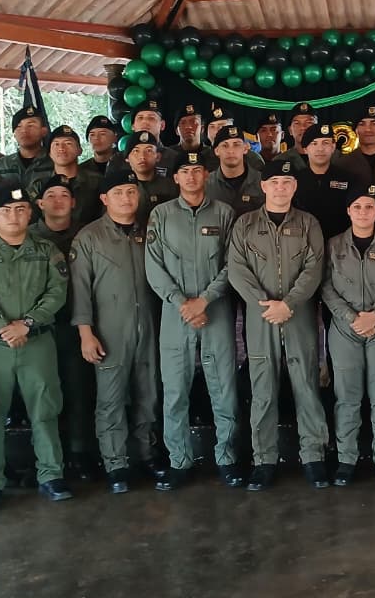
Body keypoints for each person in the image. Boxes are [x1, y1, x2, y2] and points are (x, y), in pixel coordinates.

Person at [0, 184, 73, 510]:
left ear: (30, 213)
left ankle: (51, 475)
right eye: (6, 210)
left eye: (20, 210)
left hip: (37, 341)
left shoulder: (47, 251)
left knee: (45, 409)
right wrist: (3, 327)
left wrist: (28, 323)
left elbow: (57, 292)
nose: (13, 216)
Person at [227, 158, 328, 491]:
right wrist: (265, 305)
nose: (281, 188)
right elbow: (237, 269)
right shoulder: (244, 225)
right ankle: (264, 460)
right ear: (263, 186)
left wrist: (289, 303)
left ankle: (313, 457)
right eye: (274, 183)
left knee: (307, 385)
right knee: (263, 389)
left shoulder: (309, 223)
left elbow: (314, 267)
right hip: (261, 317)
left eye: (287, 183)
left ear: (294, 187)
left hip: (298, 315)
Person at [146, 152, 244, 490]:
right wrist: (182, 302)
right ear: (175, 178)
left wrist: (205, 299)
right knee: (175, 390)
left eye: (197, 170)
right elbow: (153, 266)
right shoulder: (160, 215)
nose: (191, 176)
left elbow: (234, 263)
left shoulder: (224, 213)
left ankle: (227, 458)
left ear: (206, 175)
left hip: (215, 310)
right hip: (175, 315)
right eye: (184, 171)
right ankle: (179, 461)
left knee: (224, 388)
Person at [70, 169, 163, 494]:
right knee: (111, 398)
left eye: (131, 192)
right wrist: (85, 333)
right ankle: (116, 463)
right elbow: (80, 290)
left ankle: (147, 454)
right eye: (119, 193)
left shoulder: (150, 231)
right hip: (109, 330)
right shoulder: (89, 237)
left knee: (148, 393)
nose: (126, 198)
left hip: (149, 325)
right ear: (104, 198)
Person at [321, 184, 375, 486]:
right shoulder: (333, 245)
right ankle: (346, 459)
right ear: (348, 211)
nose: (363, 212)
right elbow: (326, 287)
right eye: (357, 207)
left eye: (369, 207)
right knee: (347, 396)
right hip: (345, 328)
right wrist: (352, 318)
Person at [29, 176, 98, 479]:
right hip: (38, 327)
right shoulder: (27, 236)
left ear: (73, 202)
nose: (58, 201)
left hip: (78, 324)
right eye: (51, 195)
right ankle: (46, 457)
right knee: (41, 393)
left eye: (64, 195)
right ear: (40, 203)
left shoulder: (87, 235)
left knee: (79, 390)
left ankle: (79, 453)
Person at [26, 125, 104, 224]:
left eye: (68, 143)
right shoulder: (40, 184)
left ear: (79, 150)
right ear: (49, 153)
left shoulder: (96, 181)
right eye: (56, 144)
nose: (61, 148)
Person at [294, 123, 357, 241]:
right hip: (303, 243)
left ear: (333, 147)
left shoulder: (348, 179)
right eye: (314, 143)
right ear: (305, 149)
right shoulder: (294, 180)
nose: (320, 148)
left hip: (340, 244)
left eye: (325, 143)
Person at [205, 125, 264, 214]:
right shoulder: (205, 184)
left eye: (236, 145)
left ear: (245, 148)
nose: (231, 151)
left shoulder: (262, 182)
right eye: (225, 145)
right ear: (216, 151)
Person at [123, 131, 179, 221]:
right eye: (136, 151)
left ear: (158, 157)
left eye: (149, 150)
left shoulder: (171, 186)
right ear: (127, 158)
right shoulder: (119, 189)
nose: (142, 156)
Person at [0, 106, 49, 186]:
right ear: (14, 134)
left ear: (44, 131)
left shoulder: (54, 162)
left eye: (30, 126)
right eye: (19, 126)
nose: (24, 130)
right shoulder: (2, 165)